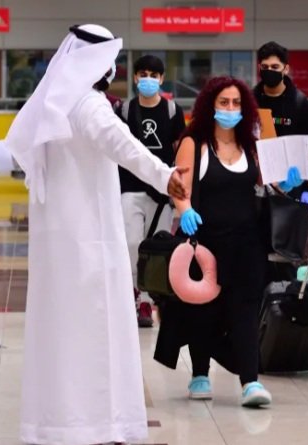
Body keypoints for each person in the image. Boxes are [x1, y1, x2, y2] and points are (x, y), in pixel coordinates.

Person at [4, 24, 188, 445]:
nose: (114, 69)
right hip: (90, 242)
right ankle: (98, 424)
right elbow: (126, 147)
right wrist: (165, 176)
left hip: (57, 245)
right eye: (110, 61)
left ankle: (56, 423)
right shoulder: (89, 105)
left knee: (60, 331)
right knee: (97, 331)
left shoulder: (51, 101)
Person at [153, 76, 301, 408]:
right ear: (211, 105)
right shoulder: (195, 143)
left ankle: (250, 381)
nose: (230, 109)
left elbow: (269, 184)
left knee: (245, 311)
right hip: (205, 241)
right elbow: (180, 187)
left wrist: (289, 185)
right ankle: (200, 373)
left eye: (236, 103)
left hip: (247, 243)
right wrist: (185, 211)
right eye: (224, 102)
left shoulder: (251, 145)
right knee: (203, 309)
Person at [118, 54, 186, 328]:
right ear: (135, 77)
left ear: (161, 79)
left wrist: (178, 187)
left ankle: (147, 300)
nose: (148, 79)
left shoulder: (172, 111)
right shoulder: (124, 110)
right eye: (143, 74)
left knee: (156, 246)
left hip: (161, 193)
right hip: (130, 188)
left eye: (153, 75)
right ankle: (133, 293)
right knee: (132, 243)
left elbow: (180, 149)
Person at [253, 41, 308, 173]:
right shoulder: (250, 100)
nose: (269, 71)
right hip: (255, 176)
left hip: (291, 176)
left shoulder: (300, 103)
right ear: (259, 68)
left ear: (286, 69)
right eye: (265, 67)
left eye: (275, 67)